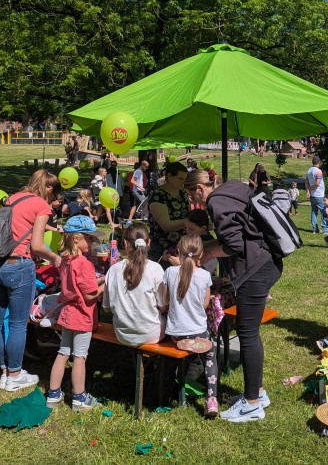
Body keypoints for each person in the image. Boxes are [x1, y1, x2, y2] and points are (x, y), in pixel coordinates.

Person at [184, 169, 282, 422]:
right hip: (269, 260)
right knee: (249, 331)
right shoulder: (234, 187)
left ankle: (251, 405)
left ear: (198, 188)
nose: (193, 202)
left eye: (191, 195)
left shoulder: (215, 201)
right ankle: (257, 393)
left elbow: (234, 245)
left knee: (247, 333)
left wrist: (207, 252)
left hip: (256, 268)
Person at [0, 169, 64, 392]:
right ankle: (14, 375)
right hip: (18, 266)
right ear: (49, 188)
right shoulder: (41, 205)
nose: (53, 201)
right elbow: (37, 246)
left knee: (3, 321)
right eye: (54, 195)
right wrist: (55, 258)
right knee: (19, 324)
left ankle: (4, 372)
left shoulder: (13, 198)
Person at [45, 216, 106, 411]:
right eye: (91, 238)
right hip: (82, 316)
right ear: (78, 239)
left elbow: (78, 286)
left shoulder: (65, 261)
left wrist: (100, 279)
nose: (94, 242)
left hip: (68, 314)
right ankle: (79, 397)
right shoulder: (85, 264)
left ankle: (53, 394)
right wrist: (107, 283)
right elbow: (89, 296)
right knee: (80, 357)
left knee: (63, 352)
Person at [162, 234, 218, 417]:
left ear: (178, 252)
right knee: (210, 356)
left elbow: (164, 300)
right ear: (200, 255)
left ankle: (169, 389)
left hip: (176, 334)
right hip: (198, 333)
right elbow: (205, 304)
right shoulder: (204, 275)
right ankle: (212, 399)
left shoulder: (169, 272)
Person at [103, 223, 167, 346]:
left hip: (123, 335)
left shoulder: (113, 270)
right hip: (152, 334)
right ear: (148, 243)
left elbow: (106, 308)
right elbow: (163, 306)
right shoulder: (156, 269)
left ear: (126, 244)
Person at [147, 161, 189, 266]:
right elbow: (165, 225)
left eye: (184, 179)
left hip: (182, 246)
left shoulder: (183, 194)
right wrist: (188, 222)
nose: (182, 182)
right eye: (180, 179)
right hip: (162, 248)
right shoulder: (158, 196)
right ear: (169, 176)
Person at [305, 155, 328, 234]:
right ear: (318, 162)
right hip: (319, 195)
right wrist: (311, 188)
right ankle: (325, 229)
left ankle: (315, 229)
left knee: (314, 212)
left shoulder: (309, 170)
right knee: (323, 211)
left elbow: (306, 182)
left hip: (313, 195)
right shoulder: (318, 171)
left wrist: (308, 191)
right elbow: (318, 183)